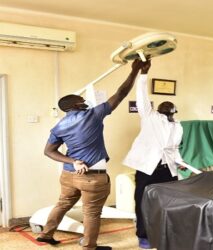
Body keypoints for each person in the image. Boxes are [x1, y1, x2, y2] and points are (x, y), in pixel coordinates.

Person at [36, 59, 146, 250]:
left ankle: (46, 234)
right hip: (92, 178)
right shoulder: (92, 115)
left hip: (69, 176)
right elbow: (120, 94)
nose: (85, 102)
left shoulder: (59, 126)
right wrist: (135, 71)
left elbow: (49, 151)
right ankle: (89, 247)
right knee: (92, 213)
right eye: (82, 101)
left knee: (62, 204)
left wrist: (73, 161)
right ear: (76, 105)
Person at [123, 59, 185, 249]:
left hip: (169, 170)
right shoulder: (150, 117)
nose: (167, 105)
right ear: (157, 109)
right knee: (143, 203)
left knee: (170, 203)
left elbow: (174, 148)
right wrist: (143, 74)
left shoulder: (178, 125)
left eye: (170, 105)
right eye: (163, 105)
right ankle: (144, 236)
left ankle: (168, 233)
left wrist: (180, 162)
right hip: (148, 169)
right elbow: (142, 95)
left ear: (175, 110)